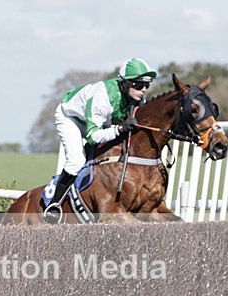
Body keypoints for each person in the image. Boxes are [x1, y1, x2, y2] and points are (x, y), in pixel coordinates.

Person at [45, 58, 157, 221]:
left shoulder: (138, 99)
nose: (143, 90)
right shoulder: (102, 97)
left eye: (147, 85)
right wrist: (119, 129)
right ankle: (54, 205)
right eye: (139, 85)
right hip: (71, 119)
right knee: (76, 161)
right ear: (125, 84)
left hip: (96, 122)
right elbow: (92, 136)